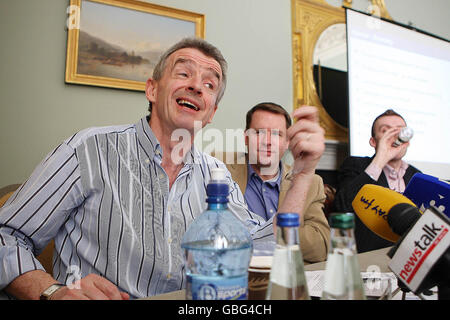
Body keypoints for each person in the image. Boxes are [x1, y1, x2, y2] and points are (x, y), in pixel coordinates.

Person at [0, 37, 326, 300]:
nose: (198, 86)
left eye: (210, 84)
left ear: (211, 113)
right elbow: (6, 236)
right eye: (184, 74)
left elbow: (263, 243)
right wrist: (53, 292)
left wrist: (303, 172)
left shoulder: (217, 175)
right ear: (152, 89)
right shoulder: (87, 149)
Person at [217, 102, 329, 263]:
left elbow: (320, 248)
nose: (267, 141)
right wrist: (291, 235)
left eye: (276, 134)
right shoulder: (220, 169)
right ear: (246, 138)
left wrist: (262, 236)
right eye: (259, 132)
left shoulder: (311, 182)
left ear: (287, 142)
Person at [334, 109, 421, 253]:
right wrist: (380, 160)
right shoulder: (355, 165)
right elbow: (343, 207)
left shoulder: (416, 175)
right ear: (373, 142)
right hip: (370, 257)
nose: (395, 136)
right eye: (386, 131)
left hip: (409, 256)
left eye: (400, 131)